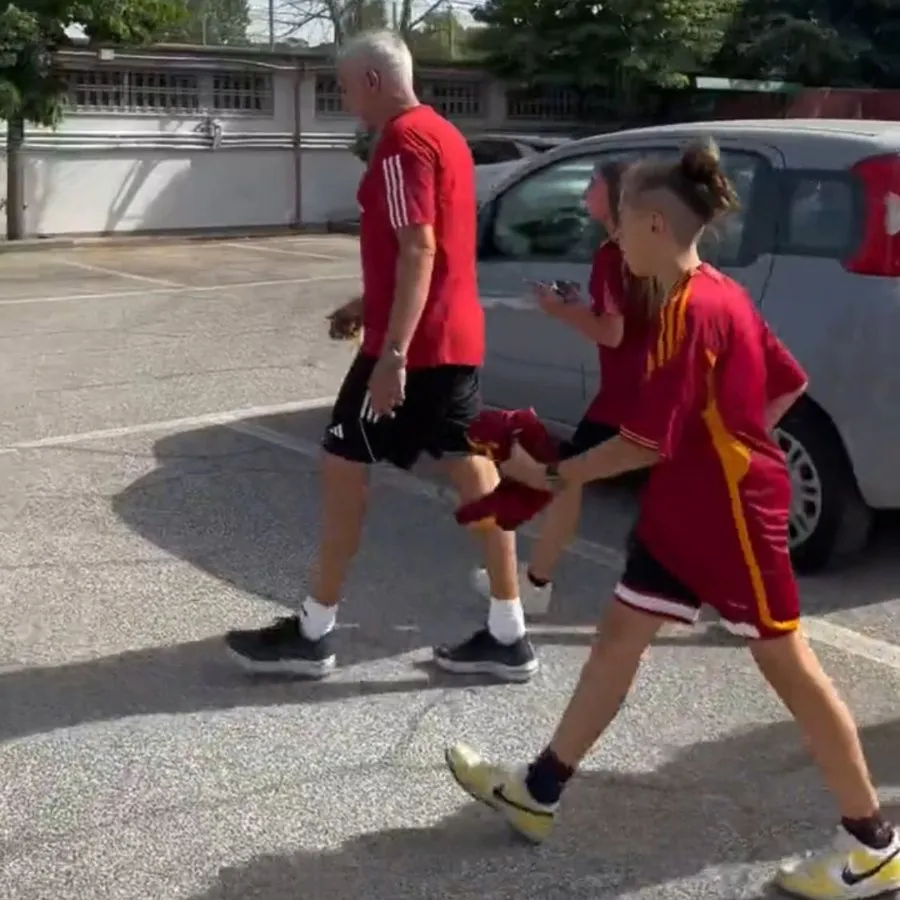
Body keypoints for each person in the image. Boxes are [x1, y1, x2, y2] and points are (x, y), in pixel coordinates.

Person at [443, 140, 900, 898]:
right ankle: (541, 789)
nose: (611, 238)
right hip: (687, 509)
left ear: (654, 225)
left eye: (619, 222)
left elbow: (638, 442)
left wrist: (555, 474)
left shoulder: (691, 311)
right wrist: (726, 439)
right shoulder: (718, 291)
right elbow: (784, 385)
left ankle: (872, 843)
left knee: (791, 667)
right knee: (621, 635)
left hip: (731, 520)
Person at [224, 30, 538, 683]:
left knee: (343, 465)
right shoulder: (443, 135)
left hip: (413, 349)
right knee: (471, 470)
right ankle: (508, 632)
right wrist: (367, 302)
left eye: (343, 86)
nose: (344, 99)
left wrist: (391, 351)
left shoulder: (398, 145)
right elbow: (421, 253)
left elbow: (420, 248)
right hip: (452, 338)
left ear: (371, 79)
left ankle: (313, 631)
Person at [471, 162, 661, 616]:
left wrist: (559, 310)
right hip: (655, 388)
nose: (587, 189)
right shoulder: (645, 250)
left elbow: (612, 333)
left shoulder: (612, 257)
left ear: (614, 197)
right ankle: (741, 603)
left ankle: (536, 583)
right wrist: (579, 304)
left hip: (624, 399)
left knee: (564, 479)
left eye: (595, 182)